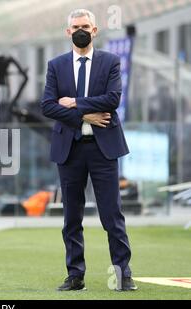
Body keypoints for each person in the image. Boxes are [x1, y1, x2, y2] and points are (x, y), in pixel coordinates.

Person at [41, 9, 137, 291]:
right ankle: (75, 275)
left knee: (112, 214)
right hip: (69, 150)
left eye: (85, 26)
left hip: (102, 148)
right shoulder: (56, 65)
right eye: (75, 26)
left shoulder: (110, 61)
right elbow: (48, 105)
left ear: (95, 30)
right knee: (72, 216)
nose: (80, 30)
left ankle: (123, 274)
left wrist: (75, 104)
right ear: (67, 31)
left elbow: (113, 98)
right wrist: (85, 115)